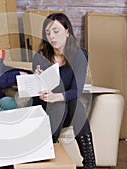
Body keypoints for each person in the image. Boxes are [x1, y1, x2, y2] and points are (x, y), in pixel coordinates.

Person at [32, 13, 96, 169]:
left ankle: (89, 163)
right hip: (46, 110)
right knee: (59, 106)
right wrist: (37, 80)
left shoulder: (80, 56)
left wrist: (57, 97)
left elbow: (76, 90)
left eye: (56, 31)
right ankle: (50, 153)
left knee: (75, 105)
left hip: (69, 111)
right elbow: (36, 97)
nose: (52, 37)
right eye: (48, 33)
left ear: (67, 31)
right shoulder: (40, 57)